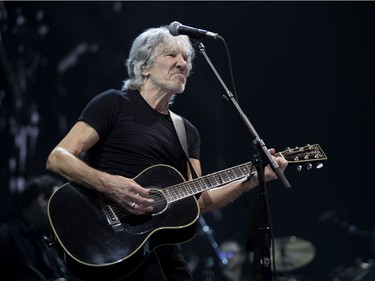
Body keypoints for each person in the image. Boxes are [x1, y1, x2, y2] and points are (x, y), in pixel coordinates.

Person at [45, 25, 288, 281]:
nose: (182, 63)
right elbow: (58, 157)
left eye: (186, 58)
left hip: (160, 246)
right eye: (172, 55)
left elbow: (198, 200)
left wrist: (253, 178)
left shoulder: (187, 131)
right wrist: (110, 185)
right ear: (144, 66)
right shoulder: (113, 103)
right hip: (109, 239)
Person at [0, 174, 80, 281]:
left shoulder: (45, 238)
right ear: (41, 200)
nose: (60, 210)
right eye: (55, 202)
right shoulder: (6, 233)